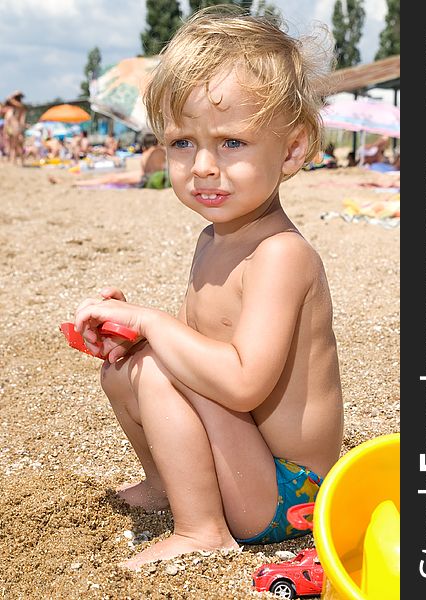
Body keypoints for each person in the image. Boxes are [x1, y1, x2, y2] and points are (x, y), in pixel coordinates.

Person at [73, 6, 343, 570]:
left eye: (231, 143)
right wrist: (134, 335)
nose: (202, 166)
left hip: (287, 492)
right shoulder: (212, 239)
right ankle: (167, 483)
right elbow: (197, 355)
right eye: (181, 143)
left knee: (154, 360)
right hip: (245, 461)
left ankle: (202, 529)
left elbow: (242, 384)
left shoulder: (280, 255)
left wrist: (154, 326)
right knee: (129, 366)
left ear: (291, 150)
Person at [70, 133, 168, 188]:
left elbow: (149, 171)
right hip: (147, 176)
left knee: (112, 178)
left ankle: (80, 183)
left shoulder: (150, 153)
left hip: (145, 178)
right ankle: (80, 183)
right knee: (112, 177)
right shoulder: (160, 151)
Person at [3, 90, 27, 166]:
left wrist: (13, 95)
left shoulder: (18, 106)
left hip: (15, 128)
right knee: (14, 145)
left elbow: (8, 99)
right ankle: (15, 161)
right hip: (14, 128)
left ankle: (15, 161)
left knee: (15, 145)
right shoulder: (15, 108)